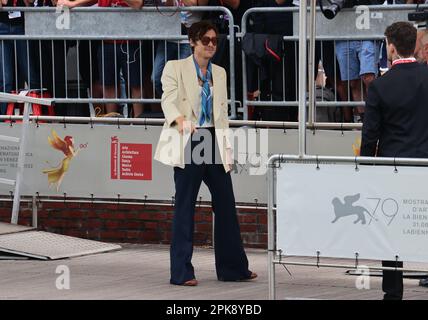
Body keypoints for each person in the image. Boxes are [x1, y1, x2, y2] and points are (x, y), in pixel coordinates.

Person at [154, 21, 257, 286]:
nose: (211, 44)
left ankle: (233, 268)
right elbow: (168, 99)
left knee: (225, 202)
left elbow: (221, 116)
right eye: (205, 40)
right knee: (185, 205)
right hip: (189, 137)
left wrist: (227, 149)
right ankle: (181, 272)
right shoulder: (174, 68)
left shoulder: (219, 73)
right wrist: (180, 121)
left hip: (213, 139)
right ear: (192, 42)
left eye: (214, 40)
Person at [360, 21, 428, 299]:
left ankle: (393, 291)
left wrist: (365, 168)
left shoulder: (379, 86)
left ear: (390, 46)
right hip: (425, 165)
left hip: (393, 168)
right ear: (414, 44)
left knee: (390, 233)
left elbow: (370, 137)